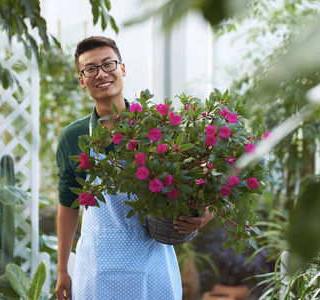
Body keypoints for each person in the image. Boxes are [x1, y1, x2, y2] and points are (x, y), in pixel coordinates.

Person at [55, 36, 214, 300]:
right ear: (82, 80)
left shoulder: (158, 127)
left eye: (108, 64)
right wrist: (62, 268)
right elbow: (68, 203)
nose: (101, 74)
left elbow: (196, 181)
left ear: (122, 68)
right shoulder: (75, 137)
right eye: (90, 69)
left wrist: (206, 212)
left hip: (152, 264)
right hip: (97, 270)